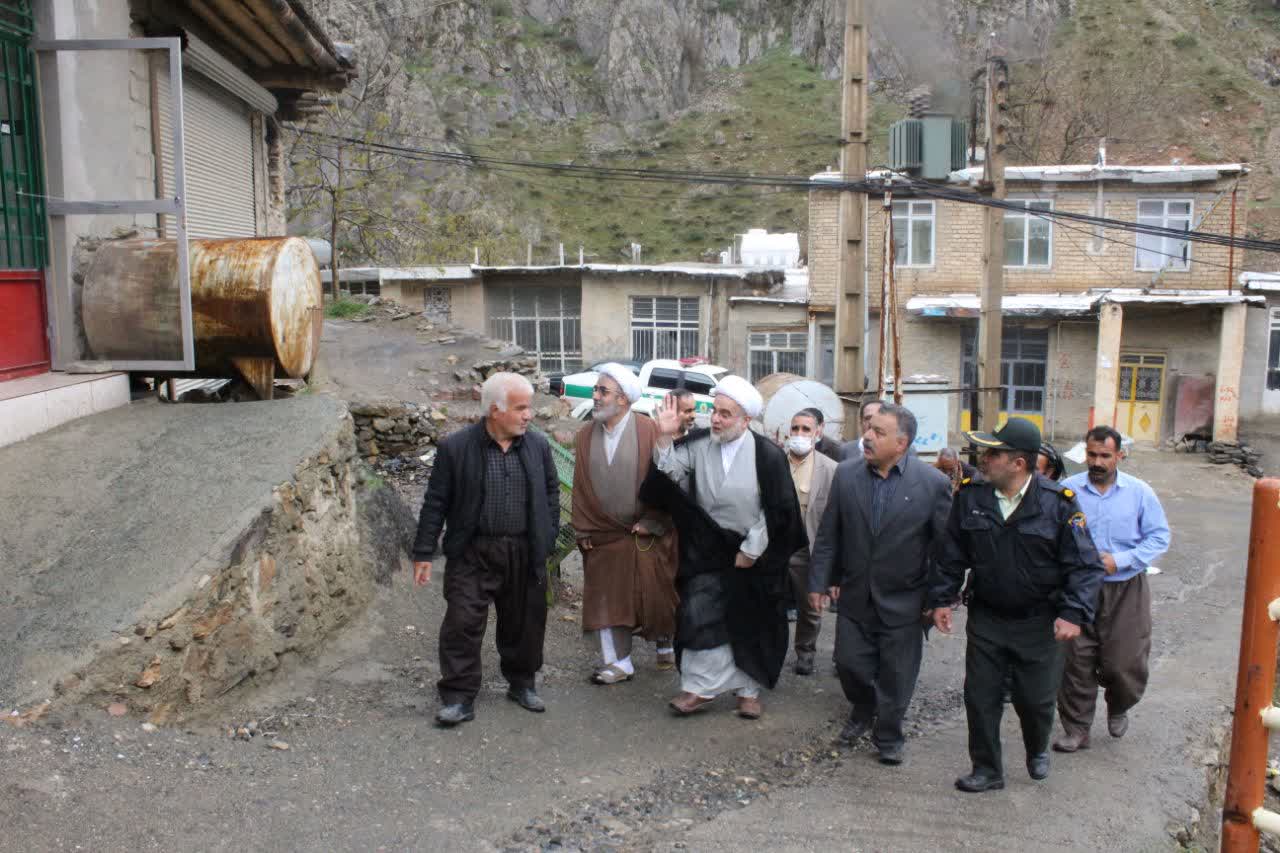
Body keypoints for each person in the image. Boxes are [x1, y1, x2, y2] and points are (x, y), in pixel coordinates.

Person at [928, 417, 1104, 792]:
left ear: (1018, 463)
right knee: (980, 697)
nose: (983, 459)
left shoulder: (1058, 505)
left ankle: (1037, 745)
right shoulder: (972, 496)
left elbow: (1085, 566)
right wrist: (942, 598)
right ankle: (987, 769)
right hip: (988, 617)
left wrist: (1074, 613)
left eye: (993, 453)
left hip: (1039, 624)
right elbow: (951, 554)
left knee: (1035, 700)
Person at [639, 375, 806, 720]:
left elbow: (777, 511)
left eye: (725, 414)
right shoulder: (701, 444)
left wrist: (751, 550)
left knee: (750, 621)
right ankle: (698, 689)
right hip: (707, 552)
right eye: (714, 411)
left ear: (746, 420)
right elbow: (669, 477)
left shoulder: (768, 455)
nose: (715, 419)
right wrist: (665, 437)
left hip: (752, 555)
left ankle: (748, 691)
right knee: (698, 614)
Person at [413, 372, 561, 727]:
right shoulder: (456, 448)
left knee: (525, 623)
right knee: (462, 622)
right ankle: (458, 696)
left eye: (530, 408)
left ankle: (522, 683)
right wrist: (423, 552)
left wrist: (547, 537)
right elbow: (436, 502)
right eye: (521, 408)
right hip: (473, 551)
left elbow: (552, 495)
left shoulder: (539, 446)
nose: (529, 415)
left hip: (524, 551)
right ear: (495, 410)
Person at [809, 403, 952, 765]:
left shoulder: (932, 484)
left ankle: (889, 735)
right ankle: (863, 707)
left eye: (878, 433)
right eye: (868, 429)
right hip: (856, 595)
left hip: (906, 598)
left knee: (897, 675)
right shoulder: (847, 474)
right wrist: (819, 581)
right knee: (848, 663)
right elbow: (829, 535)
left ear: (901, 444)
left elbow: (944, 550)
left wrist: (939, 599)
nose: (868, 437)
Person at [1053, 426, 1171, 753]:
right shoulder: (1067, 491)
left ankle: (1119, 703)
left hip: (1125, 589)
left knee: (1124, 662)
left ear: (1119, 455)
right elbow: (1051, 533)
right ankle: (1076, 729)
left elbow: (1159, 537)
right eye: (1092, 454)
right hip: (1078, 588)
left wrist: (1119, 561)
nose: (1097, 461)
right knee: (1075, 661)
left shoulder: (1139, 492)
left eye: (1105, 455)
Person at [571, 364, 679, 684]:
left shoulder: (648, 429)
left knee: (656, 598)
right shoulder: (585, 435)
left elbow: (670, 481)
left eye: (603, 391)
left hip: (647, 533)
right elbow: (581, 487)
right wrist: (583, 527)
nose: (595, 396)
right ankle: (618, 662)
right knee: (604, 596)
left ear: (624, 400)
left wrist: (654, 522)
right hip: (604, 535)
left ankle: (665, 641)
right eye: (596, 390)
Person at [784, 409, 839, 675]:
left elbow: (835, 519)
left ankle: (805, 652)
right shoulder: (774, 463)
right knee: (768, 604)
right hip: (775, 548)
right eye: (795, 428)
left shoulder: (830, 470)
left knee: (810, 607)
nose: (799, 434)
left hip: (808, 550)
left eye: (806, 429)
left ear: (818, 432)